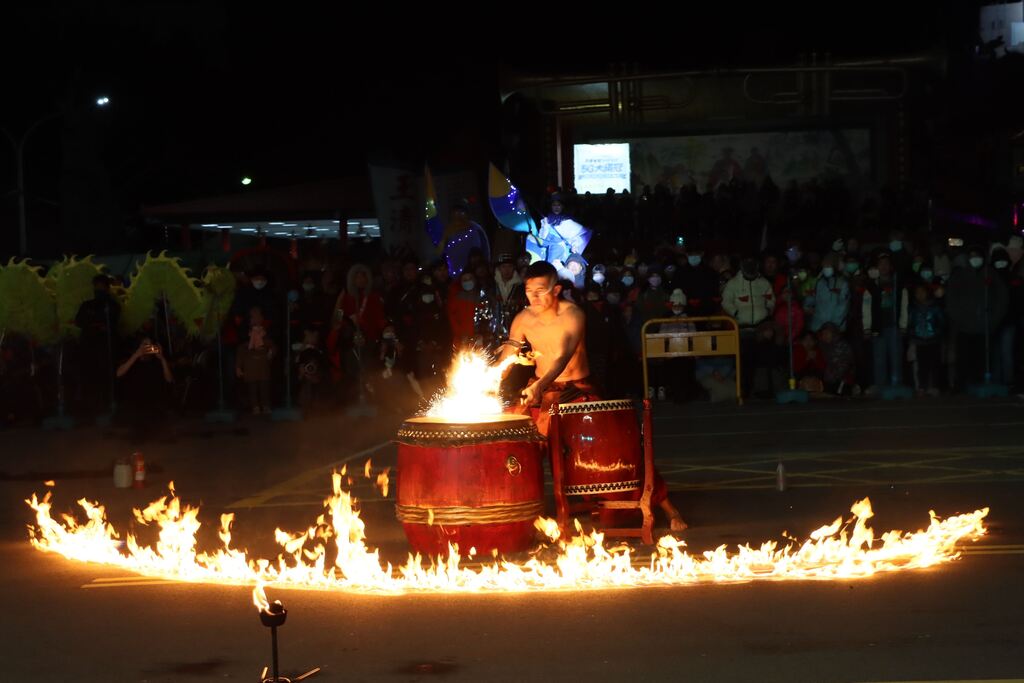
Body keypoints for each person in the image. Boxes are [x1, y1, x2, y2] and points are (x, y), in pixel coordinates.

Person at [498, 261, 687, 532]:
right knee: (509, 440)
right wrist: (493, 374)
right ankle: (516, 514)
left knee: (618, 453)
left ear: (556, 289)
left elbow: (562, 358)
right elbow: (509, 353)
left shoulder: (573, 314)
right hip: (541, 393)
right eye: (529, 291)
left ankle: (669, 508)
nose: (534, 297)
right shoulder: (523, 319)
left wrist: (540, 385)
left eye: (541, 290)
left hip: (577, 391)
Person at [74, 274, 121, 416]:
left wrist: (98, 325)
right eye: (96, 287)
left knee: (106, 377)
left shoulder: (112, 305)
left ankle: (108, 406)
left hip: (106, 348)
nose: (98, 289)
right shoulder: (87, 305)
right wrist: (93, 325)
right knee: (89, 377)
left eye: (101, 287)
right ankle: (90, 409)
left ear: (107, 288)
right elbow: (79, 321)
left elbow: (111, 323)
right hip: (88, 347)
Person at [116, 336, 173, 440]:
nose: (147, 347)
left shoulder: (156, 361)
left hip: (152, 402)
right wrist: (136, 355)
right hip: (135, 403)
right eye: (144, 345)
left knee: (156, 429)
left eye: (149, 345)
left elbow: (169, 379)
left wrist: (162, 358)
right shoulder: (132, 360)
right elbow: (119, 373)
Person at [235, 307, 276, 414]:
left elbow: (272, 347)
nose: (256, 319)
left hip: (263, 366)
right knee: (252, 389)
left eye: (258, 316)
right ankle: (255, 406)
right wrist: (238, 367)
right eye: (253, 317)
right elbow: (241, 352)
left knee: (264, 388)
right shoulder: (245, 342)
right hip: (250, 367)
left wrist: (270, 352)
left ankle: (266, 405)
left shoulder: (265, 336)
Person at [908, 284, 945, 396]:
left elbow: (942, 322)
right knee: (922, 365)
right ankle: (922, 386)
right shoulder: (913, 308)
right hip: (919, 341)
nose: (920, 295)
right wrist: (913, 334)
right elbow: (910, 323)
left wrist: (937, 333)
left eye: (922, 292)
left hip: (933, 340)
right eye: (917, 293)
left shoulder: (935, 307)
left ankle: (934, 386)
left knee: (935, 364)